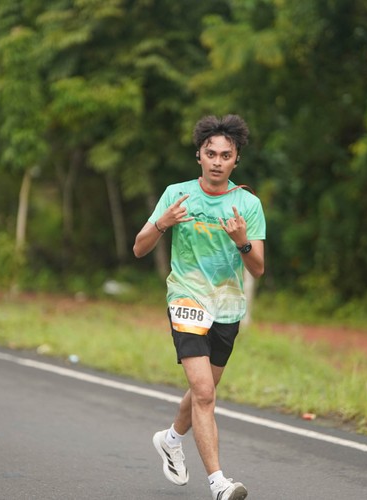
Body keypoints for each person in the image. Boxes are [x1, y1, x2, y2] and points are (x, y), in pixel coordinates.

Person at [133, 114, 266, 500]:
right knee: (205, 393)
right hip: (186, 298)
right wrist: (163, 222)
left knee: (202, 390)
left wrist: (242, 241)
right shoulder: (177, 194)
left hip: (227, 306)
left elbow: (257, 268)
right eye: (211, 153)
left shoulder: (248, 204)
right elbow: (139, 248)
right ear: (199, 156)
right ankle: (219, 484)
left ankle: (171, 439)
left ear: (236, 160)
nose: (217, 161)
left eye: (226, 155)